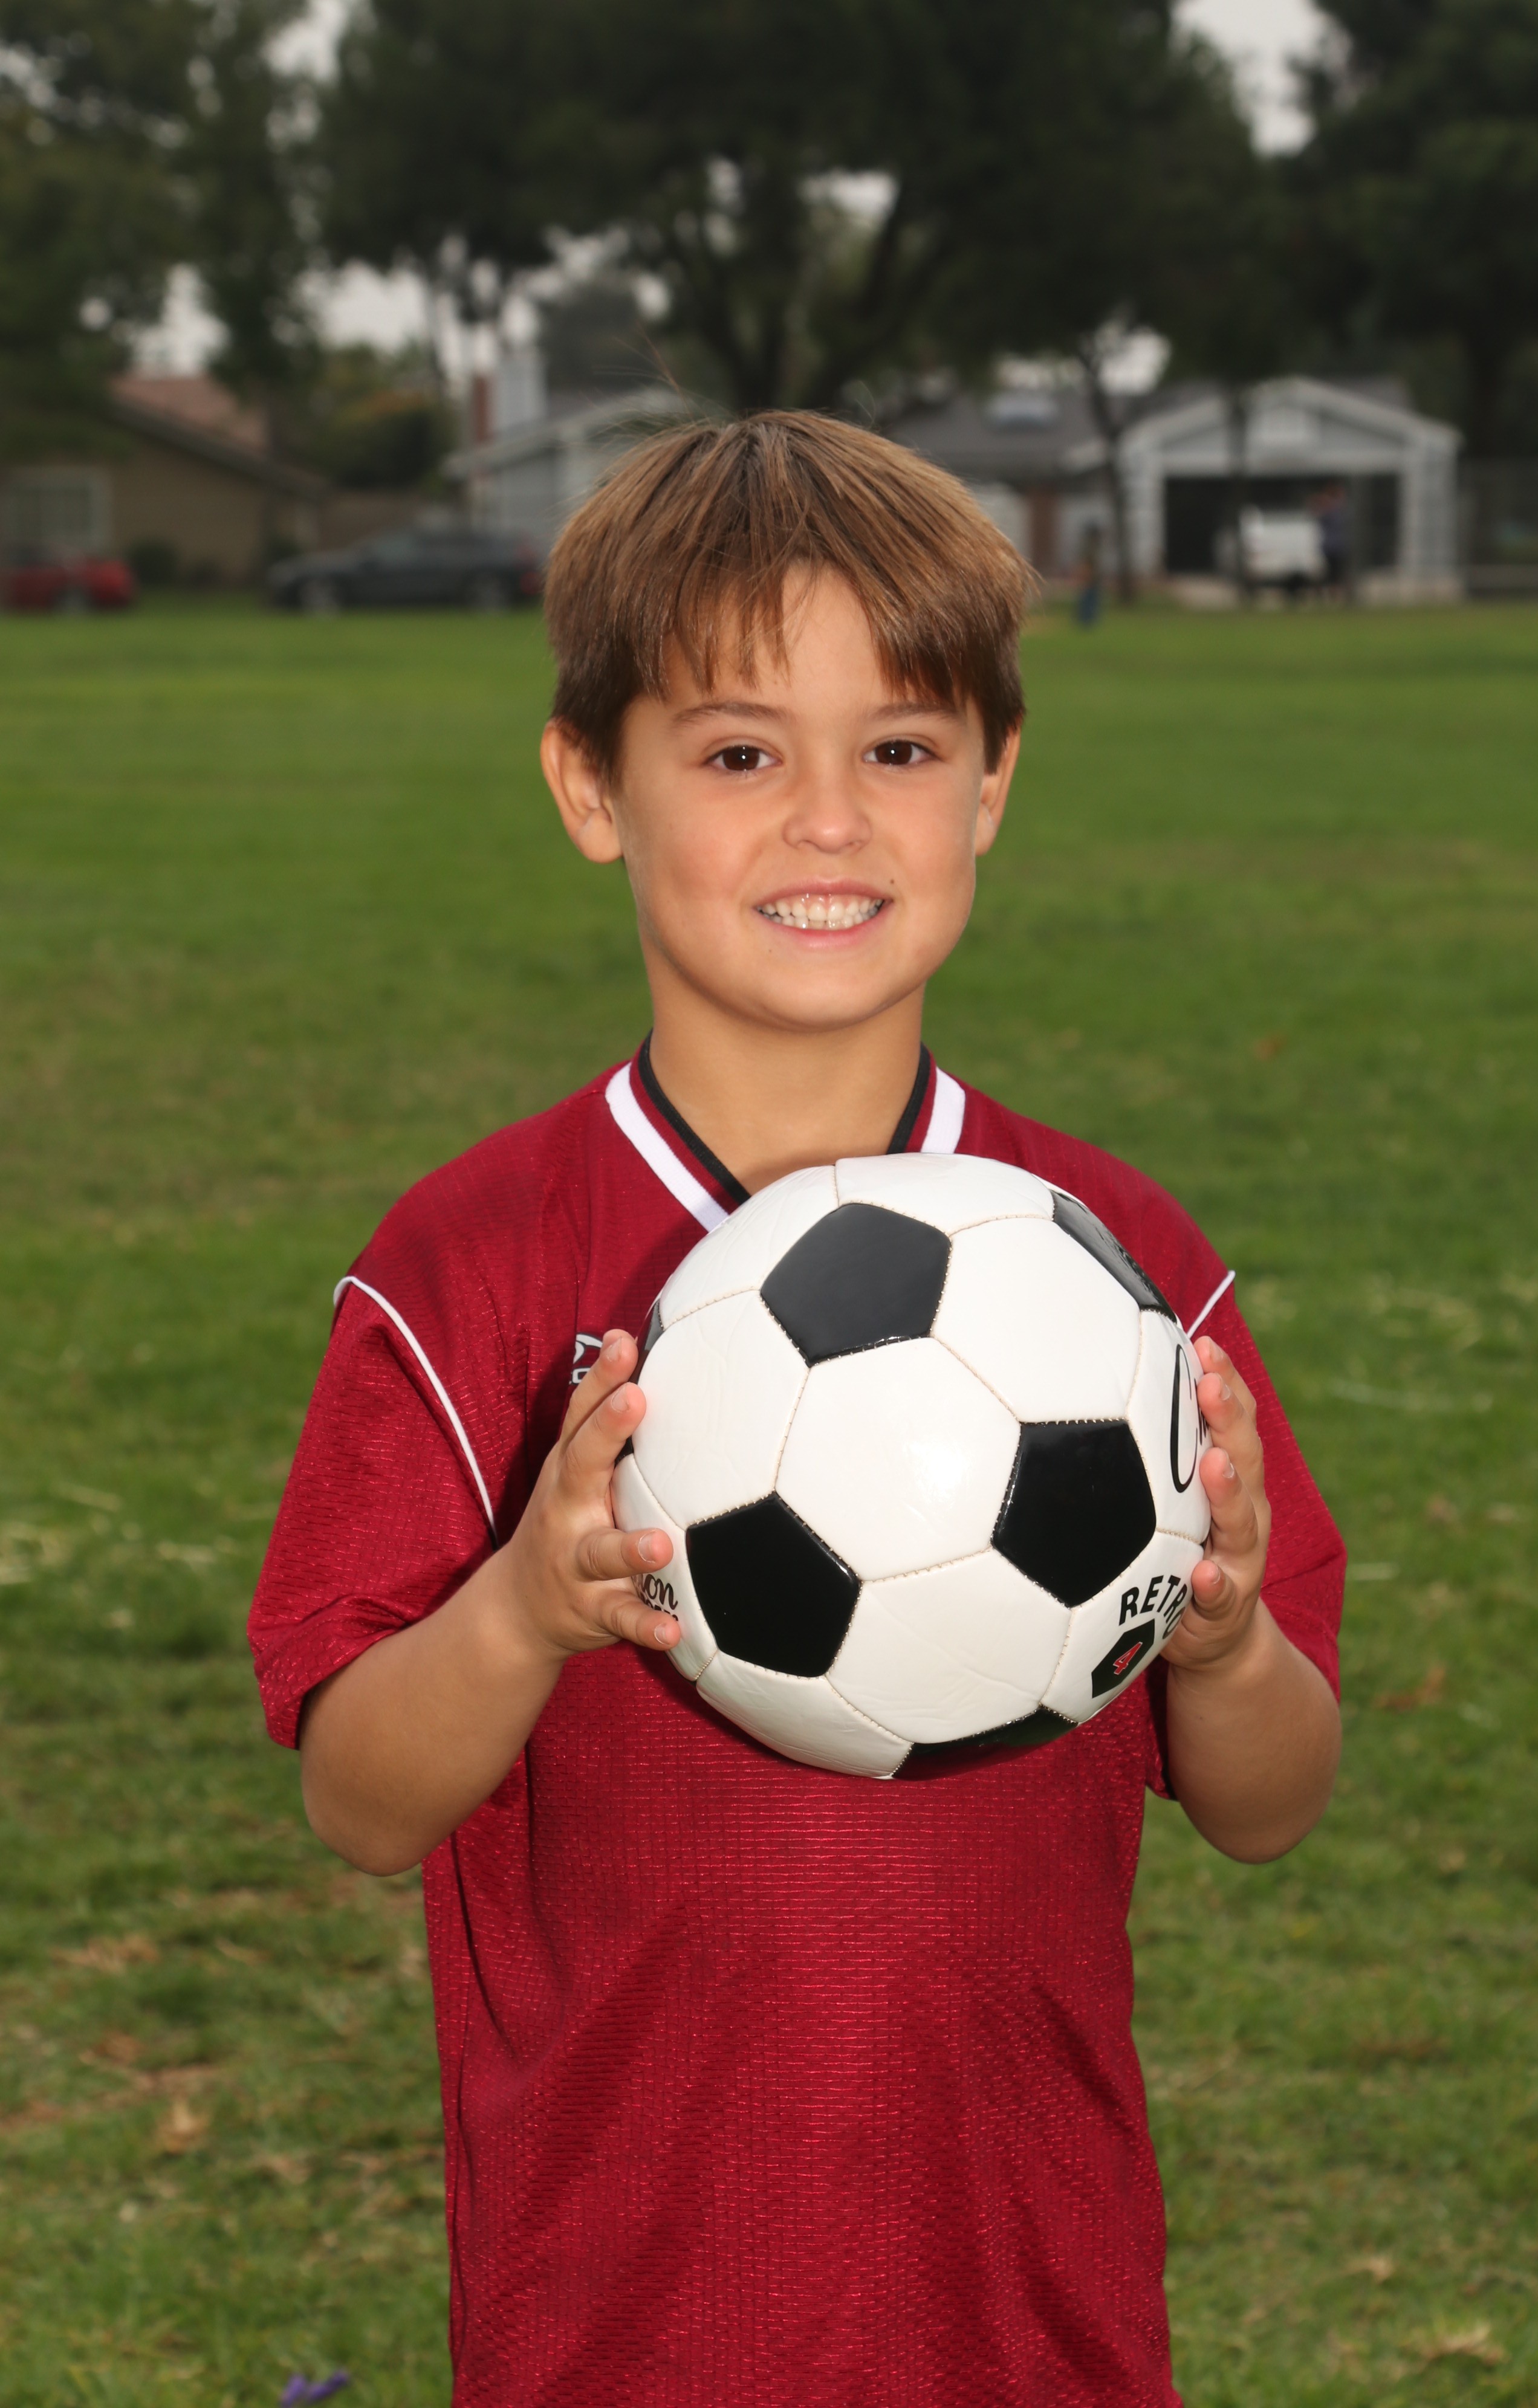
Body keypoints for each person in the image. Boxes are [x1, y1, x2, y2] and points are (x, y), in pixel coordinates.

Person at [250, 413, 1345, 2408]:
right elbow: (359, 1803)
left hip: (1033, 2313)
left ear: (994, 783)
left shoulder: (1125, 1277)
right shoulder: (469, 1266)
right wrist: (524, 1609)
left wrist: (1229, 1637)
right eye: (742, 754)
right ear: (593, 786)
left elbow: (1274, 1809)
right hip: (619, 2320)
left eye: (901, 750)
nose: (830, 822)